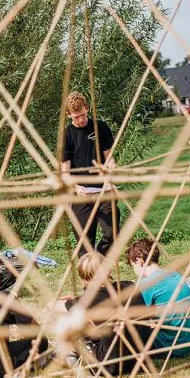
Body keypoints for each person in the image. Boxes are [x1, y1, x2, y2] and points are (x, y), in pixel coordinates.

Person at [49, 253, 151, 375]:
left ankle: (68, 355)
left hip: (110, 365)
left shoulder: (88, 300)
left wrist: (66, 301)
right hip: (141, 360)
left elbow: (52, 307)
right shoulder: (130, 286)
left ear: (83, 276)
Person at [60, 91, 120, 257]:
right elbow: (65, 172)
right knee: (84, 241)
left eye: (83, 115)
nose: (80, 120)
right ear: (68, 115)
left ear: (87, 108)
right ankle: (89, 270)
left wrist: (111, 169)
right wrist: (74, 186)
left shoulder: (100, 127)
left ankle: (99, 260)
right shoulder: (66, 135)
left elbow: (110, 158)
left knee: (112, 233)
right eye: (76, 117)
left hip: (104, 190)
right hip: (81, 194)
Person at [127, 239, 190, 357]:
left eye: (133, 266)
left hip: (172, 346)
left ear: (139, 261)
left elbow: (136, 317)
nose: (134, 270)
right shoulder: (174, 274)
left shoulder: (147, 284)